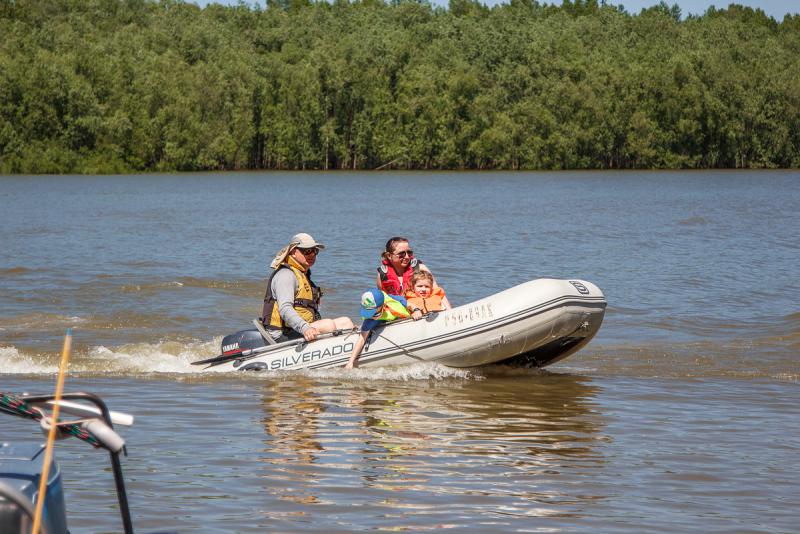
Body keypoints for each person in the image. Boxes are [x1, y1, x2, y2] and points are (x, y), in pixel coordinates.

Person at [262, 233, 353, 342]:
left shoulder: (303, 275)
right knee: (328, 325)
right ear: (293, 252)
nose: (312, 255)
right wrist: (305, 328)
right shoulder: (285, 275)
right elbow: (285, 309)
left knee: (346, 322)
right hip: (282, 333)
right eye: (307, 251)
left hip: (297, 328)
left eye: (315, 251)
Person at [377, 236, 451, 308]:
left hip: (422, 311)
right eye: (401, 254)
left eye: (409, 252)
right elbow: (384, 300)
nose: (407, 257)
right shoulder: (383, 274)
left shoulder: (420, 268)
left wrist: (450, 312)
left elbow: (438, 292)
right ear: (389, 256)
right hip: (400, 314)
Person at [344, 288, 410, 369]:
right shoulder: (370, 319)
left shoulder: (394, 303)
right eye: (367, 311)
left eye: (372, 312)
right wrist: (350, 362)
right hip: (381, 318)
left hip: (394, 314)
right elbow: (362, 338)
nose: (370, 315)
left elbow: (408, 304)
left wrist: (416, 310)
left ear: (382, 305)